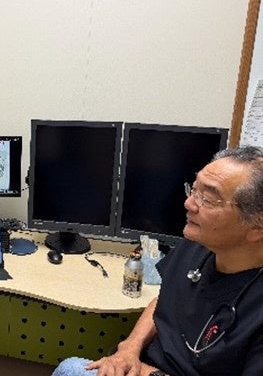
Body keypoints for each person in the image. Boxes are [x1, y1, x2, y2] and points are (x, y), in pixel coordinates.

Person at [52, 146, 263, 376]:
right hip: (145, 365)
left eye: (208, 199)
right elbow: (165, 298)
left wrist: (149, 374)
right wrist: (129, 348)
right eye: (193, 190)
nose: (189, 203)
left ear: (257, 226)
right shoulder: (196, 245)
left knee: (71, 368)